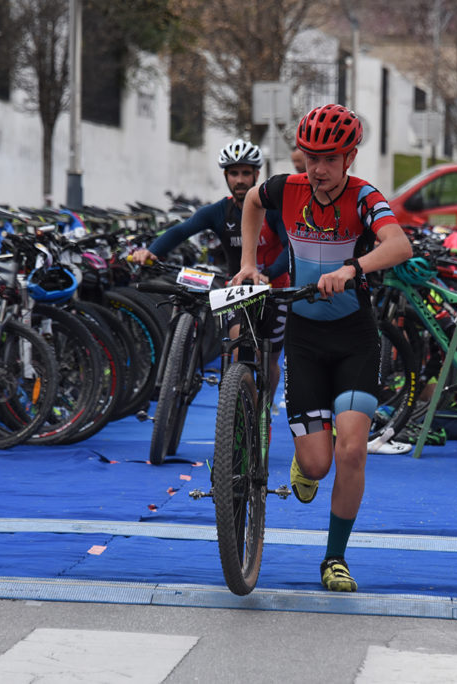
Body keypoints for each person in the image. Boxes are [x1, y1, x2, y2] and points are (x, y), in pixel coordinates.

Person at [231, 104, 413, 591]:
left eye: (330, 159)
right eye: (311, 157)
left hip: (355, 337)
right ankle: (307, 461)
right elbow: (251, 203)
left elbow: (400, 245)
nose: (318, 169)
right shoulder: (286, 189)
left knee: (352, 450)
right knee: (317, 464)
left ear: (350, 157)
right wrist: (249, 263)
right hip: (305, 338)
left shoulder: (363, 196)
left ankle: (334, 557)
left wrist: (353, 268)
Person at [131, 139, 291, 394]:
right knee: (240, 350)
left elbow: (289, 249)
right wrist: (151, 252)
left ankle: (265, 409)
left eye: (246, 173)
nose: (240, 180)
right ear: (226, 176)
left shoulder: (271, 210)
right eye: (234, 173)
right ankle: (242, 406)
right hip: (238, 290)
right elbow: (181, 230)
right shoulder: (218, 211)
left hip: (275, 289)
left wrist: (267, 274)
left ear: (257, 175)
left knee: (268, 361)